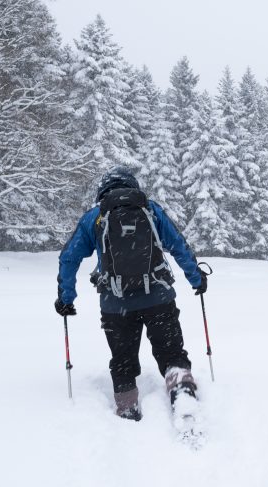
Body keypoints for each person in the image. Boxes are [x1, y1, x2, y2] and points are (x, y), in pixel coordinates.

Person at [54, 166, 207, 421]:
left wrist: (66, 298)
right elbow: (178, 245)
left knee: (123, 360)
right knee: (171, 353)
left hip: (116, 304)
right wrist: (196, 278)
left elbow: (69, 259)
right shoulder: (151, 210)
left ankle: (127, 410)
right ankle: (183, 396)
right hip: (159, 298)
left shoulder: (95, 217)